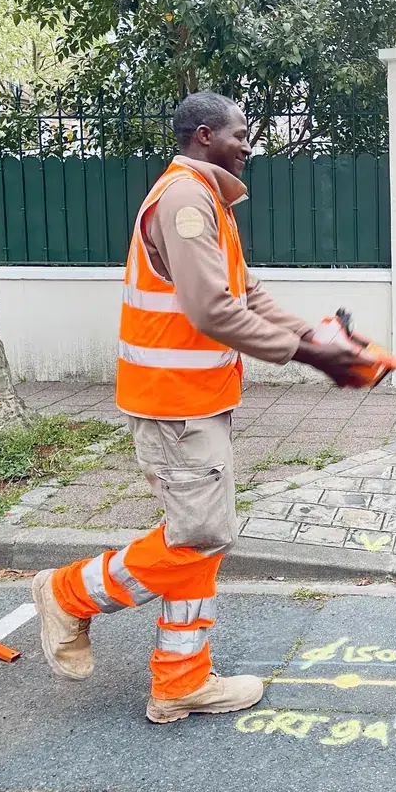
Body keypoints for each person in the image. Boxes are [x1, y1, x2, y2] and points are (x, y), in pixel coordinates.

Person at [30, 92, 374, 722]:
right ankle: (68, 593)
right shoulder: (186, 200)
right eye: (241, 134)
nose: (249, 145)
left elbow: (248, 293)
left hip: (195, 401)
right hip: (174, 404)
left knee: (199, 540)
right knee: (202, 536)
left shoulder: (207, 197)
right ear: (204, 136)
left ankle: (181, 681)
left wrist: (319, 339)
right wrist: (310, 357)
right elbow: (212, 310)